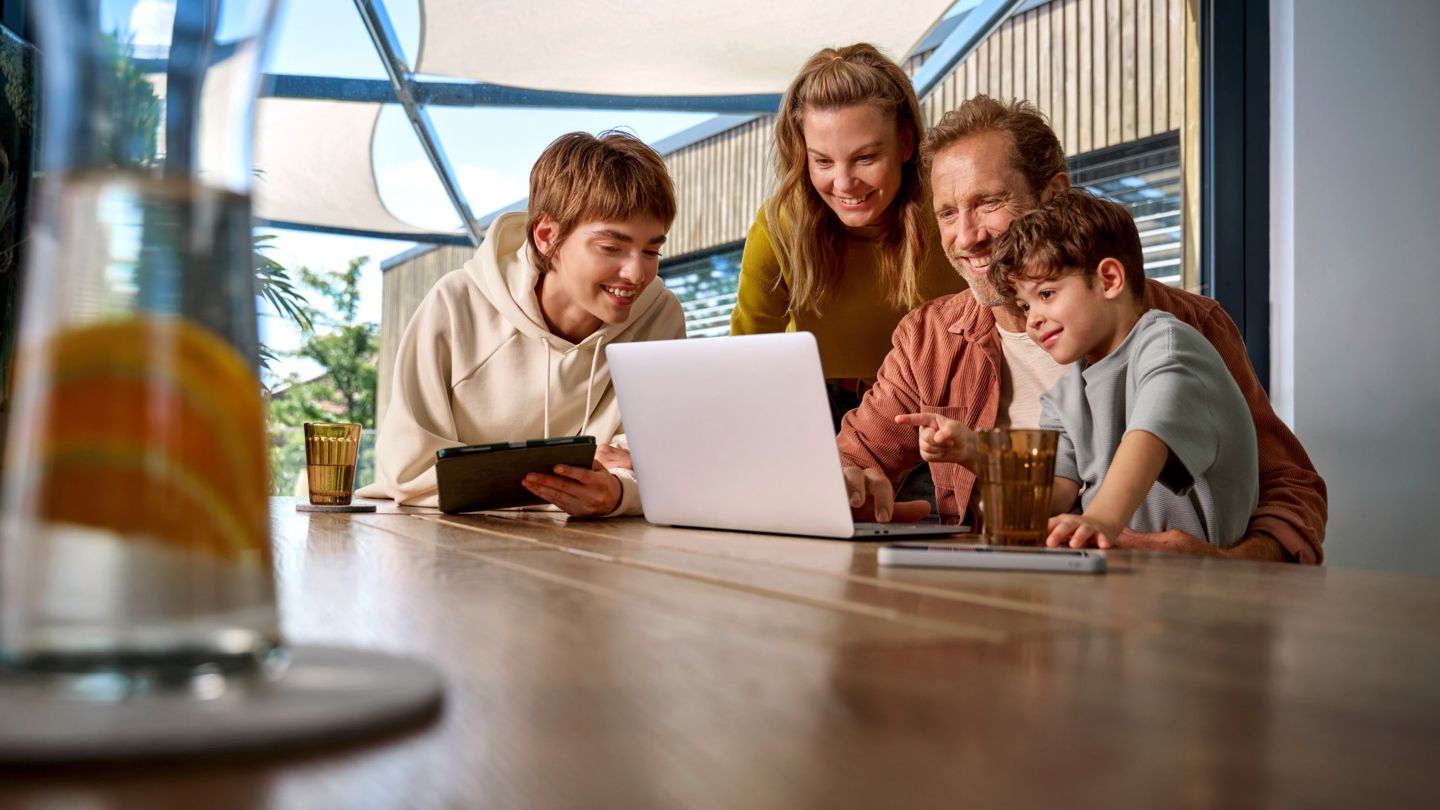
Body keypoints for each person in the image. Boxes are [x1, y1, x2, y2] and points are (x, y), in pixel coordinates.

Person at [838, 95, 1327, 563]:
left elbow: (1286, 484)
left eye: (988, 202)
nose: (966, 237)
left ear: (1052, 196)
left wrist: (1230, 565)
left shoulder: (1182, 330)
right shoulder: (931, 340)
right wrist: (956, 455)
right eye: (947, 212)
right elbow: (856, 460)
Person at [357, 131, 686, 516]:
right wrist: (558, 482)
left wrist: (616, 493)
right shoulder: (456, 305)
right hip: (443, 544)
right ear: (547, 236)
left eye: (651, 250)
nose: (636, 273)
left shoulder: (660, 315)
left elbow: (666, 464)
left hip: (595, 550)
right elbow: (409, 470)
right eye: (611, 247)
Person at [912, 189, 1258, 551]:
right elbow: (1056, 494)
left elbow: (1149, 437)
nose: (1033, 320)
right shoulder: (1066, 393)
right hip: (1118, 577)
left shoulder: (1170, 348)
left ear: (1109, 279)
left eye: (1046, 294)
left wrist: (1099, 521)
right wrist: (974, 452)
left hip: (1203, 586)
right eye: (1024, 306)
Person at [729, 43, 964, 431]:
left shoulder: (949, 212)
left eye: (865, 158)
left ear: (906, 142)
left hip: (936, 406)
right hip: (815, 410)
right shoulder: (780, 225)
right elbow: (746, 359)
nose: (843, 184)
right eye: (822, 161)